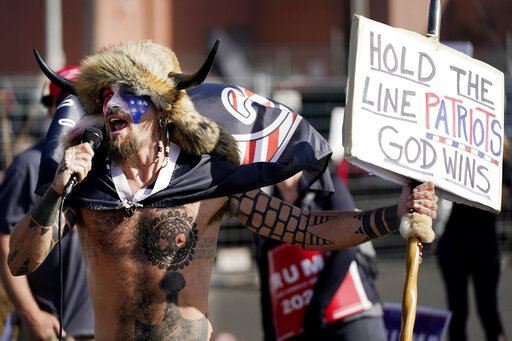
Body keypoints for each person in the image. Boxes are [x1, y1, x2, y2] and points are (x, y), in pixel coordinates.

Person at [7, 40, 438, 341]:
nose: (112, 104)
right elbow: (22, 259)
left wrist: (394, 216)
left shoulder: (207, 179)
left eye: (130, 93)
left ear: (162, 110)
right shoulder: (88, 185)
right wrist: (56, 192)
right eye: (104, 95)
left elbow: (306, 230)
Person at [0, 67, 94, 341]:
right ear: (51, 108)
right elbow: (4, 243)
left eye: (84, 100)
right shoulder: (27, 166)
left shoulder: (105, 167)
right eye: (65, 99)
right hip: (50, 330)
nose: (75, 108)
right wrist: (32, 315)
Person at [254, 171, 387, 341]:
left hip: (352, 316)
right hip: (303, 327)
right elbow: (268, 286)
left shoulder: (328, 186)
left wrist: (318, 304)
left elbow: (348, 245)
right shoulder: (263, 212)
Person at [436, 138, 511, 341]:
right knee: (458, 310)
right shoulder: (456, 157)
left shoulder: (499, 166)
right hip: (456, 242)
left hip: (482, 243)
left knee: (488, 310)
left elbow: (499, 201)